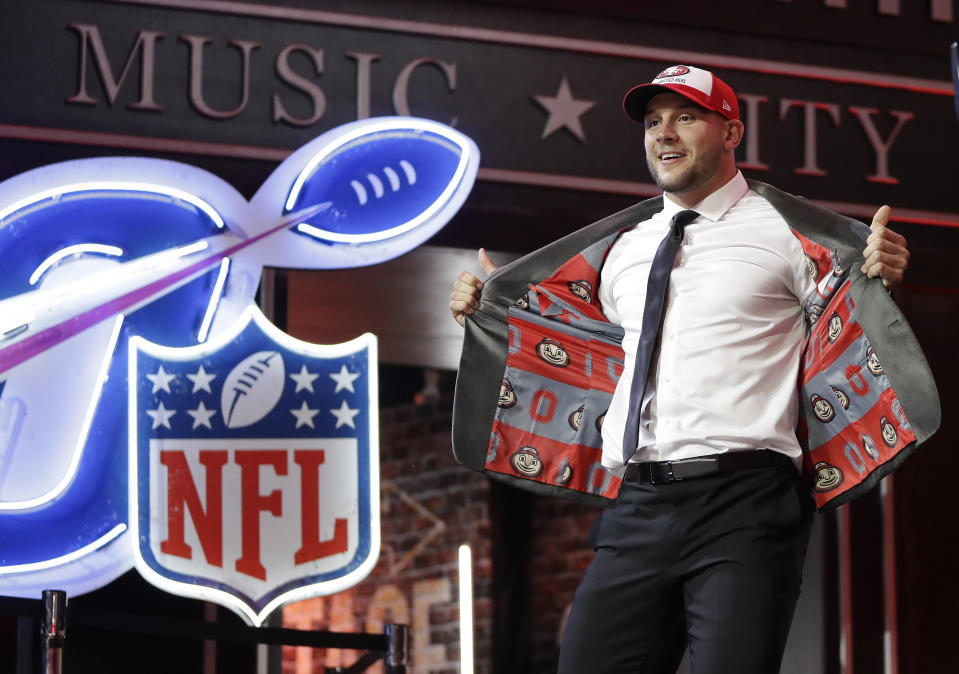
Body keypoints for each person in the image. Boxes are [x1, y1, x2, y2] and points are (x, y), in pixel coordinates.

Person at [448, 64, 939, 673]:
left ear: (731, 132)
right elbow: (563, 333)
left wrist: (881, 269)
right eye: (653, 123)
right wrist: (488, 309)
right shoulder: (623, 247)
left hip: (746, 500)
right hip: (637, 503)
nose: (665, 134)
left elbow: (852, 299)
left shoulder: (787, 231)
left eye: (686, 117)